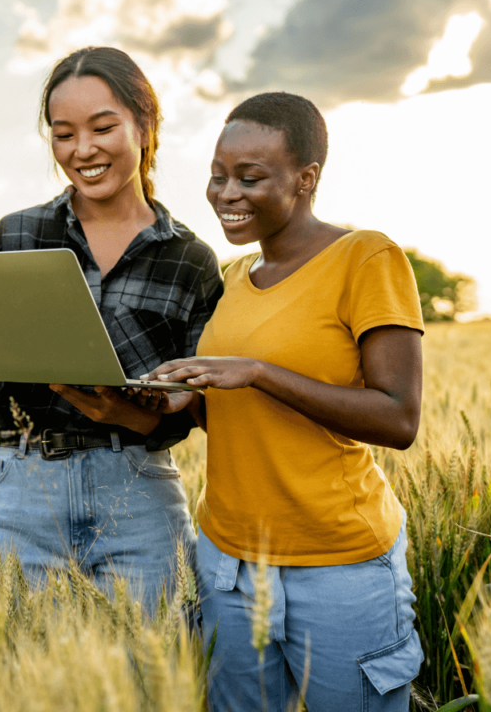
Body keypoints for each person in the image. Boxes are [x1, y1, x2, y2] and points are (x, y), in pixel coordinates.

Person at [144, 92, 424, 710]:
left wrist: (260, 372)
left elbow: (399, 417)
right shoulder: (236, 278)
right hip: (229, 565)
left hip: (338, 567)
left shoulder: (365, 257)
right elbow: (239, 419)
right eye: (217, 177)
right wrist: (177, 398)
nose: (226, 193)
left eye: (250, 177)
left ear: (307, 178)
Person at [0, 46, 223, 612]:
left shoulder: (190, 259)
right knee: (24, 680)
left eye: (102, 127)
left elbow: (203, 402)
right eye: (63, 134)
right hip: (23, 487)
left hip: (138, 487)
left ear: (145, 123)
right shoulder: (16, 236)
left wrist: (160, 402)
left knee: (152, 683)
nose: (82, 150)